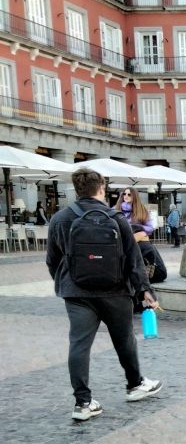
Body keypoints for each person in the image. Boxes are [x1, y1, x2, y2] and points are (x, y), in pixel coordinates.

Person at [45, 167, 163, 421]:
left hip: (77, 292)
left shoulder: (60, 219)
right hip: (115, 290)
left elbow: (52, 260)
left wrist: (64, 282)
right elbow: (134, 259)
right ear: (101, 188)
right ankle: (134, 385)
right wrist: (145, 289)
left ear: (77, 190)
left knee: (79, 345)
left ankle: (83, 403)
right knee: (124, 340)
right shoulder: (116, 219)